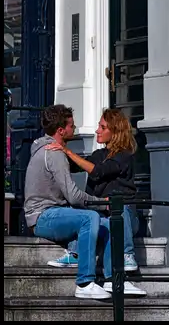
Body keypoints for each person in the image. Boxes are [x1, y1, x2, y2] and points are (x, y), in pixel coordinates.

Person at [46, 108, 146, 296]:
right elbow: (76, 165)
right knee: (83, 211)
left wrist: (67, 151)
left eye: (102, 127)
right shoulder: (99, 154)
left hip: (125, 219)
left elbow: (98, 171)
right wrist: (57, 148)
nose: (97, 130)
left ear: (115, 131)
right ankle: (76, 254)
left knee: (118, 207)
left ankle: (126, 255)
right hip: (103, 215)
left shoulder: (125, 156)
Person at [23, 104, 111, 299]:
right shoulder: (54, 153)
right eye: (72, 125)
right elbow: (73, 196)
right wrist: (102, 203)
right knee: (90, 218)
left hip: (52, 214)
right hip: (42, 217)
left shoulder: (48, 149)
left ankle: (112, 279)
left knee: (107, 224)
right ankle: (85, 283)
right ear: (61, 130)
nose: (75, 128)